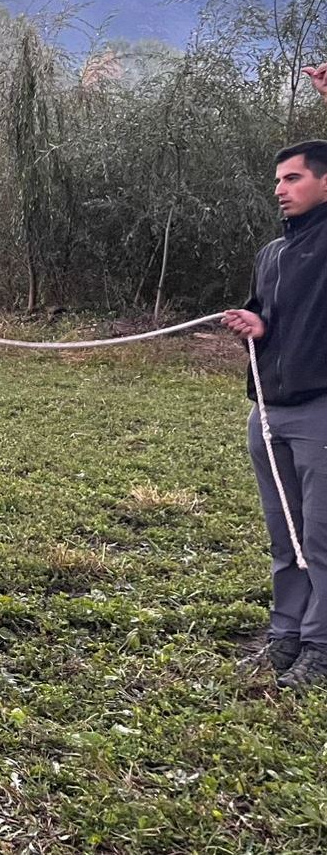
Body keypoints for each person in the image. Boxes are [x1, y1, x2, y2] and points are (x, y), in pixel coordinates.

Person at [223, 64, 327, 688]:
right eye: (278, 181)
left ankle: (322, 645)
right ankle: (285, 635)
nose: (282, 189)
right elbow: (269, 314)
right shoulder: (273, 253)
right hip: (268, 411)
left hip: (320, 411)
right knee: (284, 534)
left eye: (294, 178)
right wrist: (255, 322)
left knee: (322, 536)